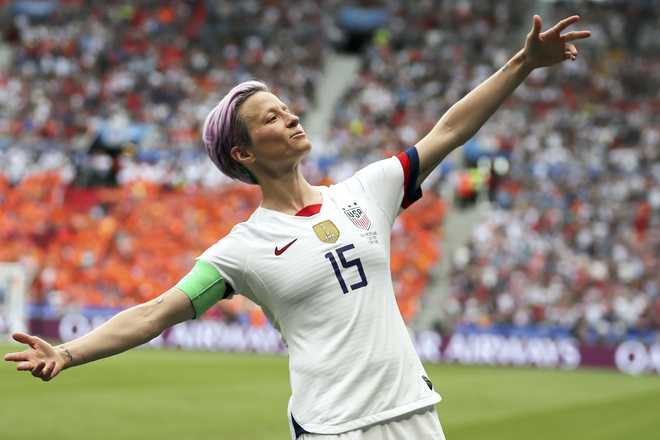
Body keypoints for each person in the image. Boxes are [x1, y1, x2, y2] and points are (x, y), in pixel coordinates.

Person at [4, 15, 589, 440]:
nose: (291, 118)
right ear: (244, 153)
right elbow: (156, 312)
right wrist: (69, 353)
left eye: (287, 109)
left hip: (416, 415)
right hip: (332, 430)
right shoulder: (241, 250)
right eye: (271, 118)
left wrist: (521, 64)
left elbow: (448, 132)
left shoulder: (369, 191)